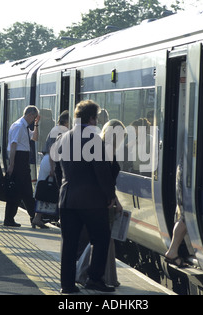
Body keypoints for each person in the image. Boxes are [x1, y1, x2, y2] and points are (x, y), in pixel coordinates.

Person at [57, 100, 117, 293]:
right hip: (91, 201)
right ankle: (94, 279)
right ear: (91, 118)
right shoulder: (93, 139)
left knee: (69, 243)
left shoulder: (64, 137)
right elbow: (102, 172)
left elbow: (60, 168)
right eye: (96, 118)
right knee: (101, 238)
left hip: (67, 199)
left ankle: (67, 285)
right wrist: (110, 196)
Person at [32, 110, 69, 228]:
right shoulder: (61, 130)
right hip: (51, 162)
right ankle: (39, 218)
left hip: (48, 162)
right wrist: (53, 169)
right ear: (67, 121)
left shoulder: (56, 129)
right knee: (50, 191)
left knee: (44, 191)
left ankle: (37, 218)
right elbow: (52, 148)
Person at [4, 105, 40, 227]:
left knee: (24, 192)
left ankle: (32, 217)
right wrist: (12, 164)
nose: (33, 120)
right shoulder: (19, 126)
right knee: (21, 192)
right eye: (33, 118)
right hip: (19, 160)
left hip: (23, 160)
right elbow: (13, 145)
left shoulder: (23, 126)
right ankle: (14, 218)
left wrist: (36, 124)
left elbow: (34, 138)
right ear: (29, 115)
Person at [165, 164, 188, 267]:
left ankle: (172, 251)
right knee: (185, 217)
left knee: (183, 215)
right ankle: (172, 251)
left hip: (184, 176)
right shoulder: (186, 162)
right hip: (186, 177)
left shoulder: (183, 162)